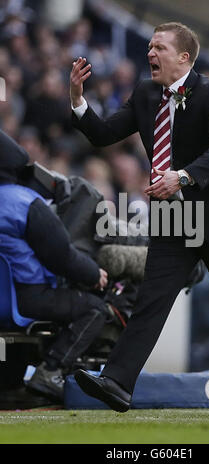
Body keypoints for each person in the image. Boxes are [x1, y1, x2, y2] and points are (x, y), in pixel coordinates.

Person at [70, 22, 209, 415]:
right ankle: (117, 383)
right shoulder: (146, 93)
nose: (150, 53)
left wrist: (181, 176)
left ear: (184, 57)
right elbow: (102, 134)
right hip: (173, 216)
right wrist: (79, 101)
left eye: (159, 47)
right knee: (152, 297)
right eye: (149, 46)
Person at [0, 128, 113, 401]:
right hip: (26, 298)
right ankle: (50, 370)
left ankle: (9, 385)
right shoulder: (23, 202)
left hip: (6, 299)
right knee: (95, 309)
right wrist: (92, 274)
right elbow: (61, 255)